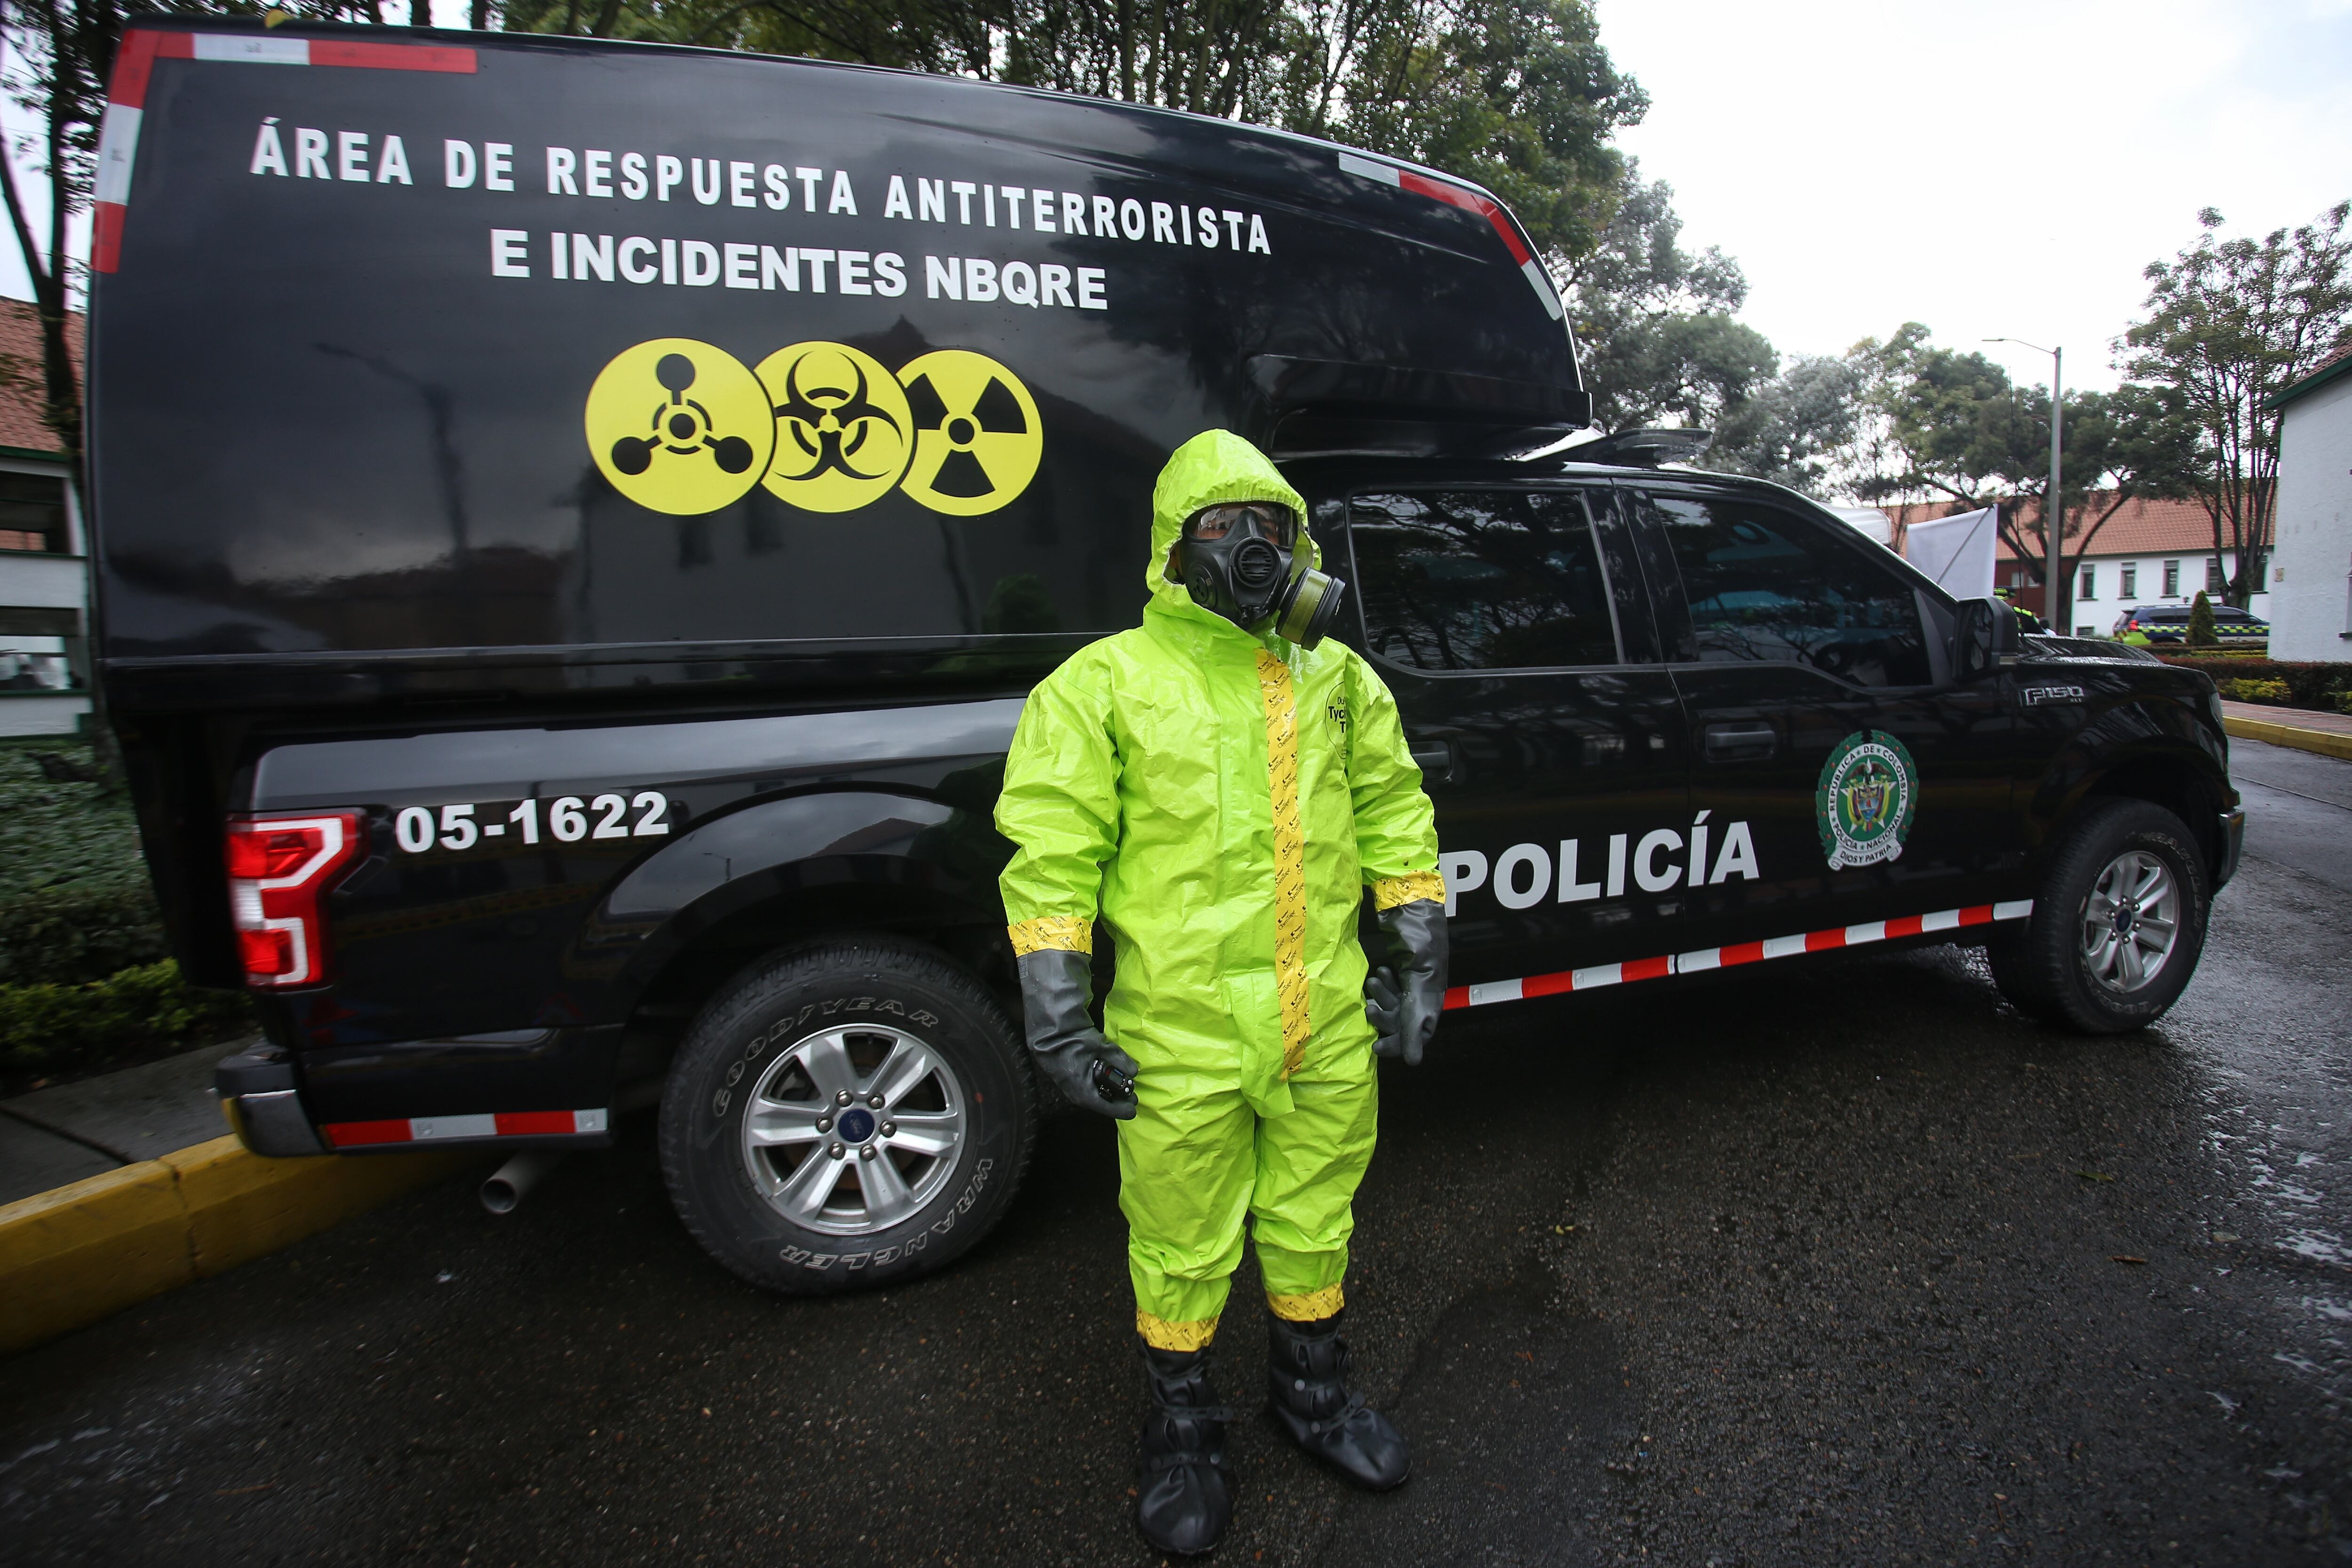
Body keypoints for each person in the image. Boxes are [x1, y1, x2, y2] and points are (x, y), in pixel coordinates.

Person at [995, 429, 1448, 1555]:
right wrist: (1057, 1011)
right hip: (1180, 1033)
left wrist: (1419, 945)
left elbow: (1397, 811)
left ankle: (1312, 1395)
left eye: (1271, 526)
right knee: (1181, 1233)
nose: (1250, 547)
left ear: (1300, 544)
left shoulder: (1339, 680)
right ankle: (1184, 1426)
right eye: (1220, 526)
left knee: (1313, 1213)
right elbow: (1052, 854)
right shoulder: (1102, 685)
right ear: (1172, 548)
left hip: (1324, 1020)